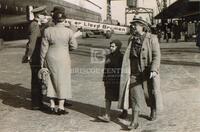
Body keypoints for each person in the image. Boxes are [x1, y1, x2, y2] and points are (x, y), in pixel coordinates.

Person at [118, 17, 163, 130]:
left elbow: (157, 56)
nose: (133, 26)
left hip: (147, 71)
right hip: (134, 71)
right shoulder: (131, 39)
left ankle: (153, 109)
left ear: (143, 26)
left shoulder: (152, 38)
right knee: (134, 96)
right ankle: (135, 121)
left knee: (149, 93)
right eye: (132, 24)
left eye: (136, 24)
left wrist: (154, 69)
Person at [40, 9, 77, 115]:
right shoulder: (69, 31)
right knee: (63, 80)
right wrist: (65, 48)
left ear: (54, 19)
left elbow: (43, 49)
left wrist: (42, 62)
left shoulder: (47, 30)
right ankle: (60, 107)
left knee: (50, 80)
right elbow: (74, 46)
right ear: (64, 19)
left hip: (50, 57)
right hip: (63, 58)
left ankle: (51, 106)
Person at [22, 6, 48, 110]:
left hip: (36, 55)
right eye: (43, 14)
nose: (45, 16)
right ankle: (36, 104)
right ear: (38, 15)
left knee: (37, 79)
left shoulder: (36, 24)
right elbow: (32, 43)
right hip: (35, 55)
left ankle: (37, 102)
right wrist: (29, 55)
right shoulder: (34, 25)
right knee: (37, 80)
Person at [97, 40, 127, 122]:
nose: (111, 48)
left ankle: (125, 112)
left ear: (118, 47)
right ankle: (107, 115)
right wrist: (105, 78)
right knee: (108, 97)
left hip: (118, 80)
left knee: (122, 96)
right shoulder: (108, 56)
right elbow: (106, 69)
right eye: (110, 46)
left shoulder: (122, 57)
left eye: (113, 46)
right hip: (109, 80)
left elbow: (124, 70)